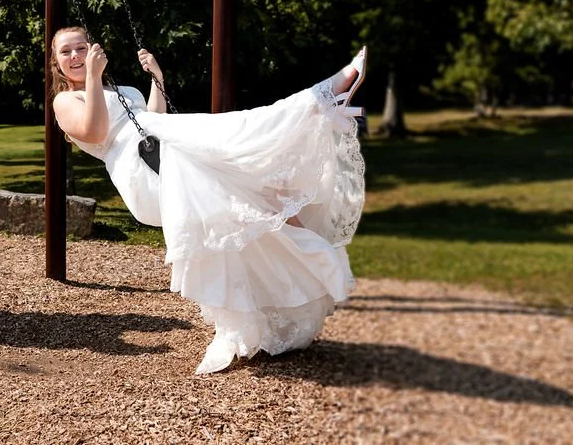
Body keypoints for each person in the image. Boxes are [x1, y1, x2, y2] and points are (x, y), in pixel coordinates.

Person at [51, 27, 366, 373]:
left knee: (252, 180)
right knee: (237, 135)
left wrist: (157, 79)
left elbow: (152, 118)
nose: (76, 56)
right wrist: (94, 77)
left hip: (162, 141)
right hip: (143, 171)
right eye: (66, 52)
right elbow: (95, 131)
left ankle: (304, 250)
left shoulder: (118, 90)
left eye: (81, 47)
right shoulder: (65, 101)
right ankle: (320, 100)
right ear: (56, 63)